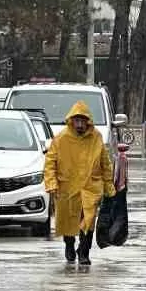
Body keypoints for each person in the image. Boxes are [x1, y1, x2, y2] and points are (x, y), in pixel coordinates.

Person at [43, 102, 115, 271]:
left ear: (88, 121)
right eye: (77, 121)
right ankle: (69, 245)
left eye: (83, 121)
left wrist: (109, 186)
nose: (80, 125)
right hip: (67, 188)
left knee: (88, 222)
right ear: (71, 121)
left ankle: (84, 253)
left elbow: (105, 164)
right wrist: (52, 183)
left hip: (91, 188)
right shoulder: (60, 139)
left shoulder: (96, 137)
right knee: (69, 222)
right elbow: (50, 163)